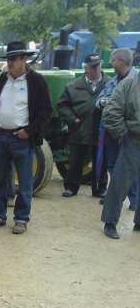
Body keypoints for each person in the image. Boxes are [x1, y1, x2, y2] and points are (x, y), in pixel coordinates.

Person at [0, 41, 52, 234]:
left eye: (14, 59)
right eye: (9, 59)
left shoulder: (36, 81)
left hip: (22, 138)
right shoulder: (3, 79)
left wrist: (29, 132)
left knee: (25, 183)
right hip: (0, 137)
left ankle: (21, 219)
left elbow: (46, 111)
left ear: (24, 59)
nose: (11, 62)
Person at [58, 53, 109, 198]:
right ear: (85, 68)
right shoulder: (73, 86)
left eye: (97, 66)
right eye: (91, 67)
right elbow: (63, 105)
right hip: (79, 129)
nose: (95, 70)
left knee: (101, 162)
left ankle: (99, 189)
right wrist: (73, 120)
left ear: (101, 66)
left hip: (101, 130)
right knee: (75, 161)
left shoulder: (111, 84)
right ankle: (71, 188)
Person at [95, 48, 139, 209]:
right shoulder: (113, 81)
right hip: (112, 132)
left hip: (131, 134)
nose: (111, 63)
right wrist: (103, 102)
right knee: (112, 165)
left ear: (121, 61)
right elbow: (99, 100)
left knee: (132, 168)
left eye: (113, 60)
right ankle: (115, 197)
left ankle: (134, 201)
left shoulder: (136, 81)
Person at [100, 70, 140, 239]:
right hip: (133, 140)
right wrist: (123, 134)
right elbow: (110, 113)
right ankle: (110, 222)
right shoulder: (129, 85)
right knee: (120, 182)